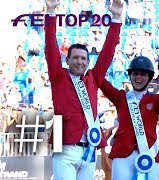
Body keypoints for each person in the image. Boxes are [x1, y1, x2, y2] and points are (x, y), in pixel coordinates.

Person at [44, 0, 123, 179]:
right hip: (63, 146)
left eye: (83, 59)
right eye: (76, 58)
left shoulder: (93, 78)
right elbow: (50, 47)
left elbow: (108, 52)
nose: (80, 61)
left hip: (89, 148)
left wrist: (116, 18)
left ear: (88, 62)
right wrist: (50, 12)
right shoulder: (58, 76)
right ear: (67, 60)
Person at [99, 55, 159, 179]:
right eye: (135, 73)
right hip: (122, 155)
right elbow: (101, 82)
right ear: (130, 76)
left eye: (143, 74)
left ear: (149, 77)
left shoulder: (155, 100)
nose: (138, 77)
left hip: (148, 154)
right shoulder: (121, 97)